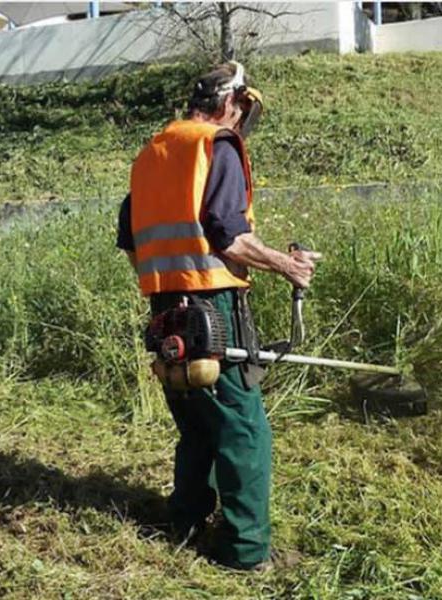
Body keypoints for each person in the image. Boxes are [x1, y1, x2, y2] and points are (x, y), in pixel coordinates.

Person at [116, 62, 321, 571]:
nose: (243, 121)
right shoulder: (217, 145)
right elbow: (228, 235)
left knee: (197, 424)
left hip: (165, 306)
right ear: (232, 103)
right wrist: (288, 266)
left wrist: (165, 286)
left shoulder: (153, 152)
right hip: (213, 304)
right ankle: (246, 551)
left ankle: (184, 522)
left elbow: (129, 239)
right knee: (243, 428)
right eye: (243, 111)